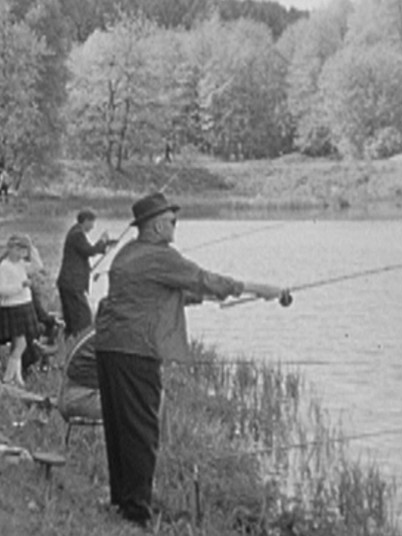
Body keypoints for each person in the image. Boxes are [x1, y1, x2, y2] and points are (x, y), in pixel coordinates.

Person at [92, 192, 288, 527]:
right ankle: (137, 511)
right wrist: (262, 288)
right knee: (141, 429)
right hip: (136, 350)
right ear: (154, 226)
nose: (175, 227)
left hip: (110, 346)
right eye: (172, 221)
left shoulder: (129, 253)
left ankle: (123, 500)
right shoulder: (160, 256)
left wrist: (207, 298)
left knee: (119, 427)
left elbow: (159, 294)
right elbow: (206, 280)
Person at [56, 209, 116, 338]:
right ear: (86, 221)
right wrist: (102, 241)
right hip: (72, 283)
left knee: (73, 316)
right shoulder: (77, 234)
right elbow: (89, 250)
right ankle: (79, 341)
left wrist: (106, 244)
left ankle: (70, 340)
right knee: (82, 316)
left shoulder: (75, 232)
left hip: (69, 282)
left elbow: (87, 250)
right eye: (92, 223)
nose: (93, 226)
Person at [0, 235, 43, 386]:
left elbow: (38, 266)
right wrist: (20, 286)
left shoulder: (22, 264)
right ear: (9, 249)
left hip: (25, 304)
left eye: (22, 249)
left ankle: (17, 378)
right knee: (21, 344)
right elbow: (1, 290)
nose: (20, 252)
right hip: (13, 307)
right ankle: (8, 377)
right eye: (17, 249)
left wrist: (32, 248)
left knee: (18, 345)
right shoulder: (4, 266)